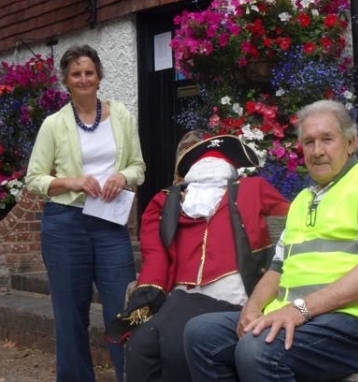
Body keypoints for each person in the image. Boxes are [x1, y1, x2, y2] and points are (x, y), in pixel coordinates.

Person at [183, 100, 358, 382]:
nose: (317, 151)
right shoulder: (304, 200)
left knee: (259, 349)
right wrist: (252, 307)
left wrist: (299, 310)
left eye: (327, 139)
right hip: (312, 319)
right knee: (202, 334)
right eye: (309, 142)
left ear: (351, 143)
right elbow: (277, 269)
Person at [108, 132, 290, 382]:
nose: (208, 168)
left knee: (176, 345)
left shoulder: (253, 189)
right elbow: (155, 258)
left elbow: (292, 228)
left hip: (235, 296)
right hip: (181, 295)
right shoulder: (166, 200)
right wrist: (146, 299)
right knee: (141, 344)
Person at [26, 44, 146, 382]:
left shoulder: (121, 116)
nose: (83, 79)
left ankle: (131, 377)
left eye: (89, 72)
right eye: (76, 73)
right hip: (65, 225)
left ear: (99, 76)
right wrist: (72, 181)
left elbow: (138, 166)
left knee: (123, 310)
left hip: (109, 225)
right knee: (70, 315)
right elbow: (35, 179)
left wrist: (123, 176)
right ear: (65, 80)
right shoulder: (53, 124)